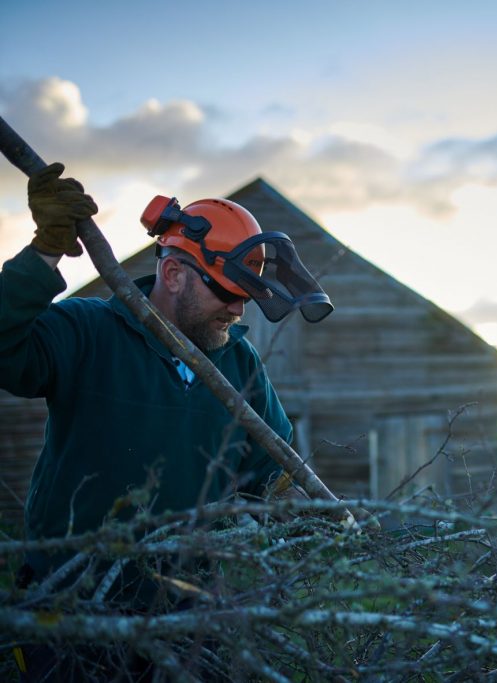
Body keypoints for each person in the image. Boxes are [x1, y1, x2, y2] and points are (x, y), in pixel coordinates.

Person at [0, 163, 333, 679]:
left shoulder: (239, 365)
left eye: (246, 297)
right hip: (69, 605)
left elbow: (271, 476)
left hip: (186, 614)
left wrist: (321, 519)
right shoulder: (88, 331)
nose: (238, 311)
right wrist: (46, 249)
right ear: (174, 274)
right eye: (227, 293)